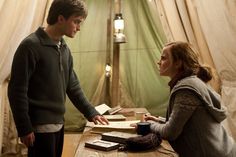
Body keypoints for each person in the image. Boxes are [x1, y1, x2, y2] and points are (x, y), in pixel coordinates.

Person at [8, 0, 108, 157]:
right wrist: (24, 127)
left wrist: (91, 112)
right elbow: (16, 91)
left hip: (59, 125)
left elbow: (72, 86)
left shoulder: (64, 48)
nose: (79, 27)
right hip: (39, 128)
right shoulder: (30, 46)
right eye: (76, 22)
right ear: (61, 18)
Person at [144, 41, 236, 157]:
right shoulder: (191, 82)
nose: (159, 62)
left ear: (178, 63)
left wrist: (147, 125)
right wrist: (158, 120)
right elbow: (188, 121)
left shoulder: (186, 89)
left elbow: (170, 132)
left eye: (163, 58)